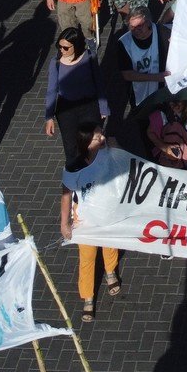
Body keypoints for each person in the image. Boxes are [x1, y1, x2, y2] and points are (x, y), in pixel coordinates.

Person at [60, 121, 123, 320]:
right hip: (84, 217)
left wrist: (112, 144)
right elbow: (66, 195)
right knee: (87, 257)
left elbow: (124, 165)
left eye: (101, 135)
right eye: (97, 138)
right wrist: (65, 223)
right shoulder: (74, 166)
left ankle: (110, 271)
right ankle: (88, 297)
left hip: (107, 211)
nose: (102, 139)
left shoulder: (108, 156)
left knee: (109, 244)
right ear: (87, 143)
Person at [44, 28, 110, 170]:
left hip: (89, 105)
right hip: (66, 110)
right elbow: (51, 90)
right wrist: (49, 117)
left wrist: (103, 107)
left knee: (93, 142)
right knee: (71, 146)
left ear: (76, 45)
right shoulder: (55, 62)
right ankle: (74, 175)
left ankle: (97, 171)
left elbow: (98, 82)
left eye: (66, 47)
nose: (62, 50)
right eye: (59, 46)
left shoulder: (89, 57)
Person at [118, 7, 168, 110]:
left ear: (149, 22)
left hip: (163, 92)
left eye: (140, 26)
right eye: (132, 27)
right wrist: (156, 77)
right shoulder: (124, 43)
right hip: (139, 95)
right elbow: (127, 74)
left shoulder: (163, 33)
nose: (136, 30)